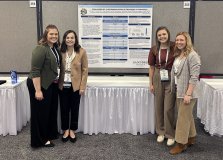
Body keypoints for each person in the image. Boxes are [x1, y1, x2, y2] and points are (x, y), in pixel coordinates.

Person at [27, 24, 61, 148]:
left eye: (56, 34)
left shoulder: (55, 48)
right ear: (46, 35)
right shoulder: (40, 48)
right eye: (51, 34)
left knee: (49, 111)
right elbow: (35, 70)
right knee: (40, 113)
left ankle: (48, 134)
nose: (54, 36)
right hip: (38, 84)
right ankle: (39, 140)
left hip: (50, 84)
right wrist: (38, 90)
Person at [169, 32, 201, 155]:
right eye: (177, 40)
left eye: (181, 40)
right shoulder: (179, 54)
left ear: (187, 41)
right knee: (186, 115)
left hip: (188, 93)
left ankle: (181, 144)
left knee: (182, 118)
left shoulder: (193, 55)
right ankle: (191, 137)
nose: (178, 42)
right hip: (179, 90)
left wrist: (188, 93)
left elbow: (194, 76)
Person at [58, 30, 88, 143]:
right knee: (64, 108)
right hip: (62, 85)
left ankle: (73, 130)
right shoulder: (60, 51)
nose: (70, 39)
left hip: (75, 86)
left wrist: (82, 86)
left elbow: (85, 70)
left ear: (75, 39)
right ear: (65, 39)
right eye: (67, 37)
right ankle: (65, 129)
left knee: (74, 109)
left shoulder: (81, 52)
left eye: (72, 37)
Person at [148, 26, 176, 146]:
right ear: (157, 37)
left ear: (168, 34)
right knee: (158, 105)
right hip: (158, 75)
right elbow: (151, 67)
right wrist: (151, 83)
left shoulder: (175, 46)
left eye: (164, 34)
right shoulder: (154, 49)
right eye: (159, 35)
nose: (162, 37)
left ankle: (170, 134)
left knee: (168, 107)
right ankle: (160, 132)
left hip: (171, 75)